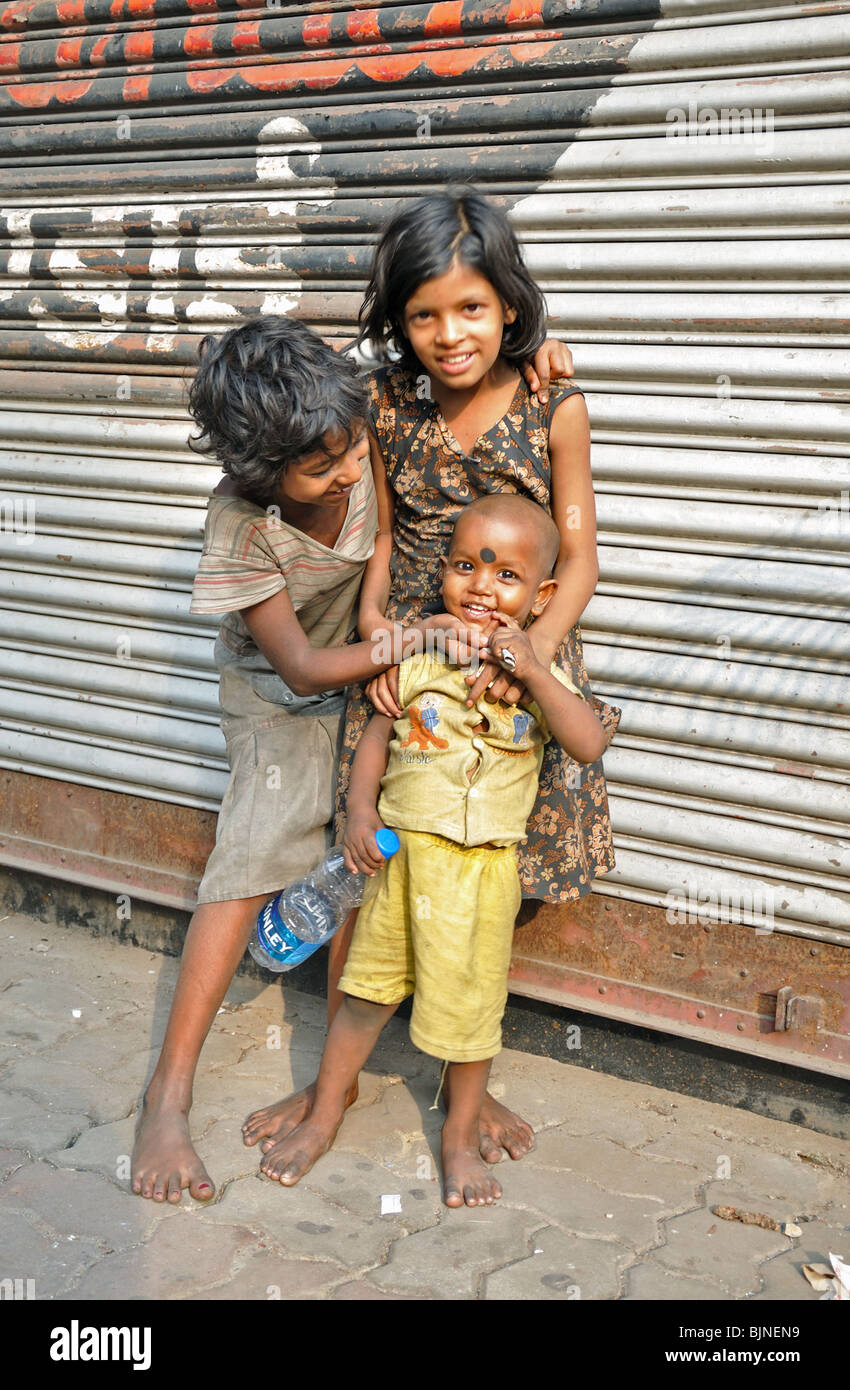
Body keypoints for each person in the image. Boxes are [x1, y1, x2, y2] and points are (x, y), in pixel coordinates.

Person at [132, 313, 567, 1204]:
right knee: (250, 857)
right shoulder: (242, 525)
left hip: (379, 665)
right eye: (319, 469)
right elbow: (297, 664)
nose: (343, 474)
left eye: (348, 452)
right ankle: (164, 1103)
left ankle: (345, 1082)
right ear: (260, 472)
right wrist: (408, 648)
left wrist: (541, 351)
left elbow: (453, 334)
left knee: (363, 860)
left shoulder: (347, 424)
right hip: (282, 689)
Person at [243, 187, 619, 1177]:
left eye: (472, 308)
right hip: (413, 665)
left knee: (495, 876)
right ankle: (340, 1081)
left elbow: (577, 560)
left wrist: (526, 656)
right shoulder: (381, 401)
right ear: (396, 317)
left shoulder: (555, 402)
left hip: (516, 669)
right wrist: (379, 638)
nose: (449, 335)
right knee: (367, 866)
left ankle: (466, 1073)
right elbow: (377, 539)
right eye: (423, 312)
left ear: (508, 305)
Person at [256, 495, 607, 1206]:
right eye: (467, 565)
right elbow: (376, 742)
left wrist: (535, 670)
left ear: (542, 597)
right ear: (444, 571)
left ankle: (456, 1136)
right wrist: (358, 811)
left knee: (474, 1017)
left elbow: (589, 741)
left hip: (482, 876)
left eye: (506, 575)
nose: (481, 585)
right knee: (364, 992)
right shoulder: (420, 655)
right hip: (401, 861)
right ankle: (328, 1108)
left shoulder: (538, 675)